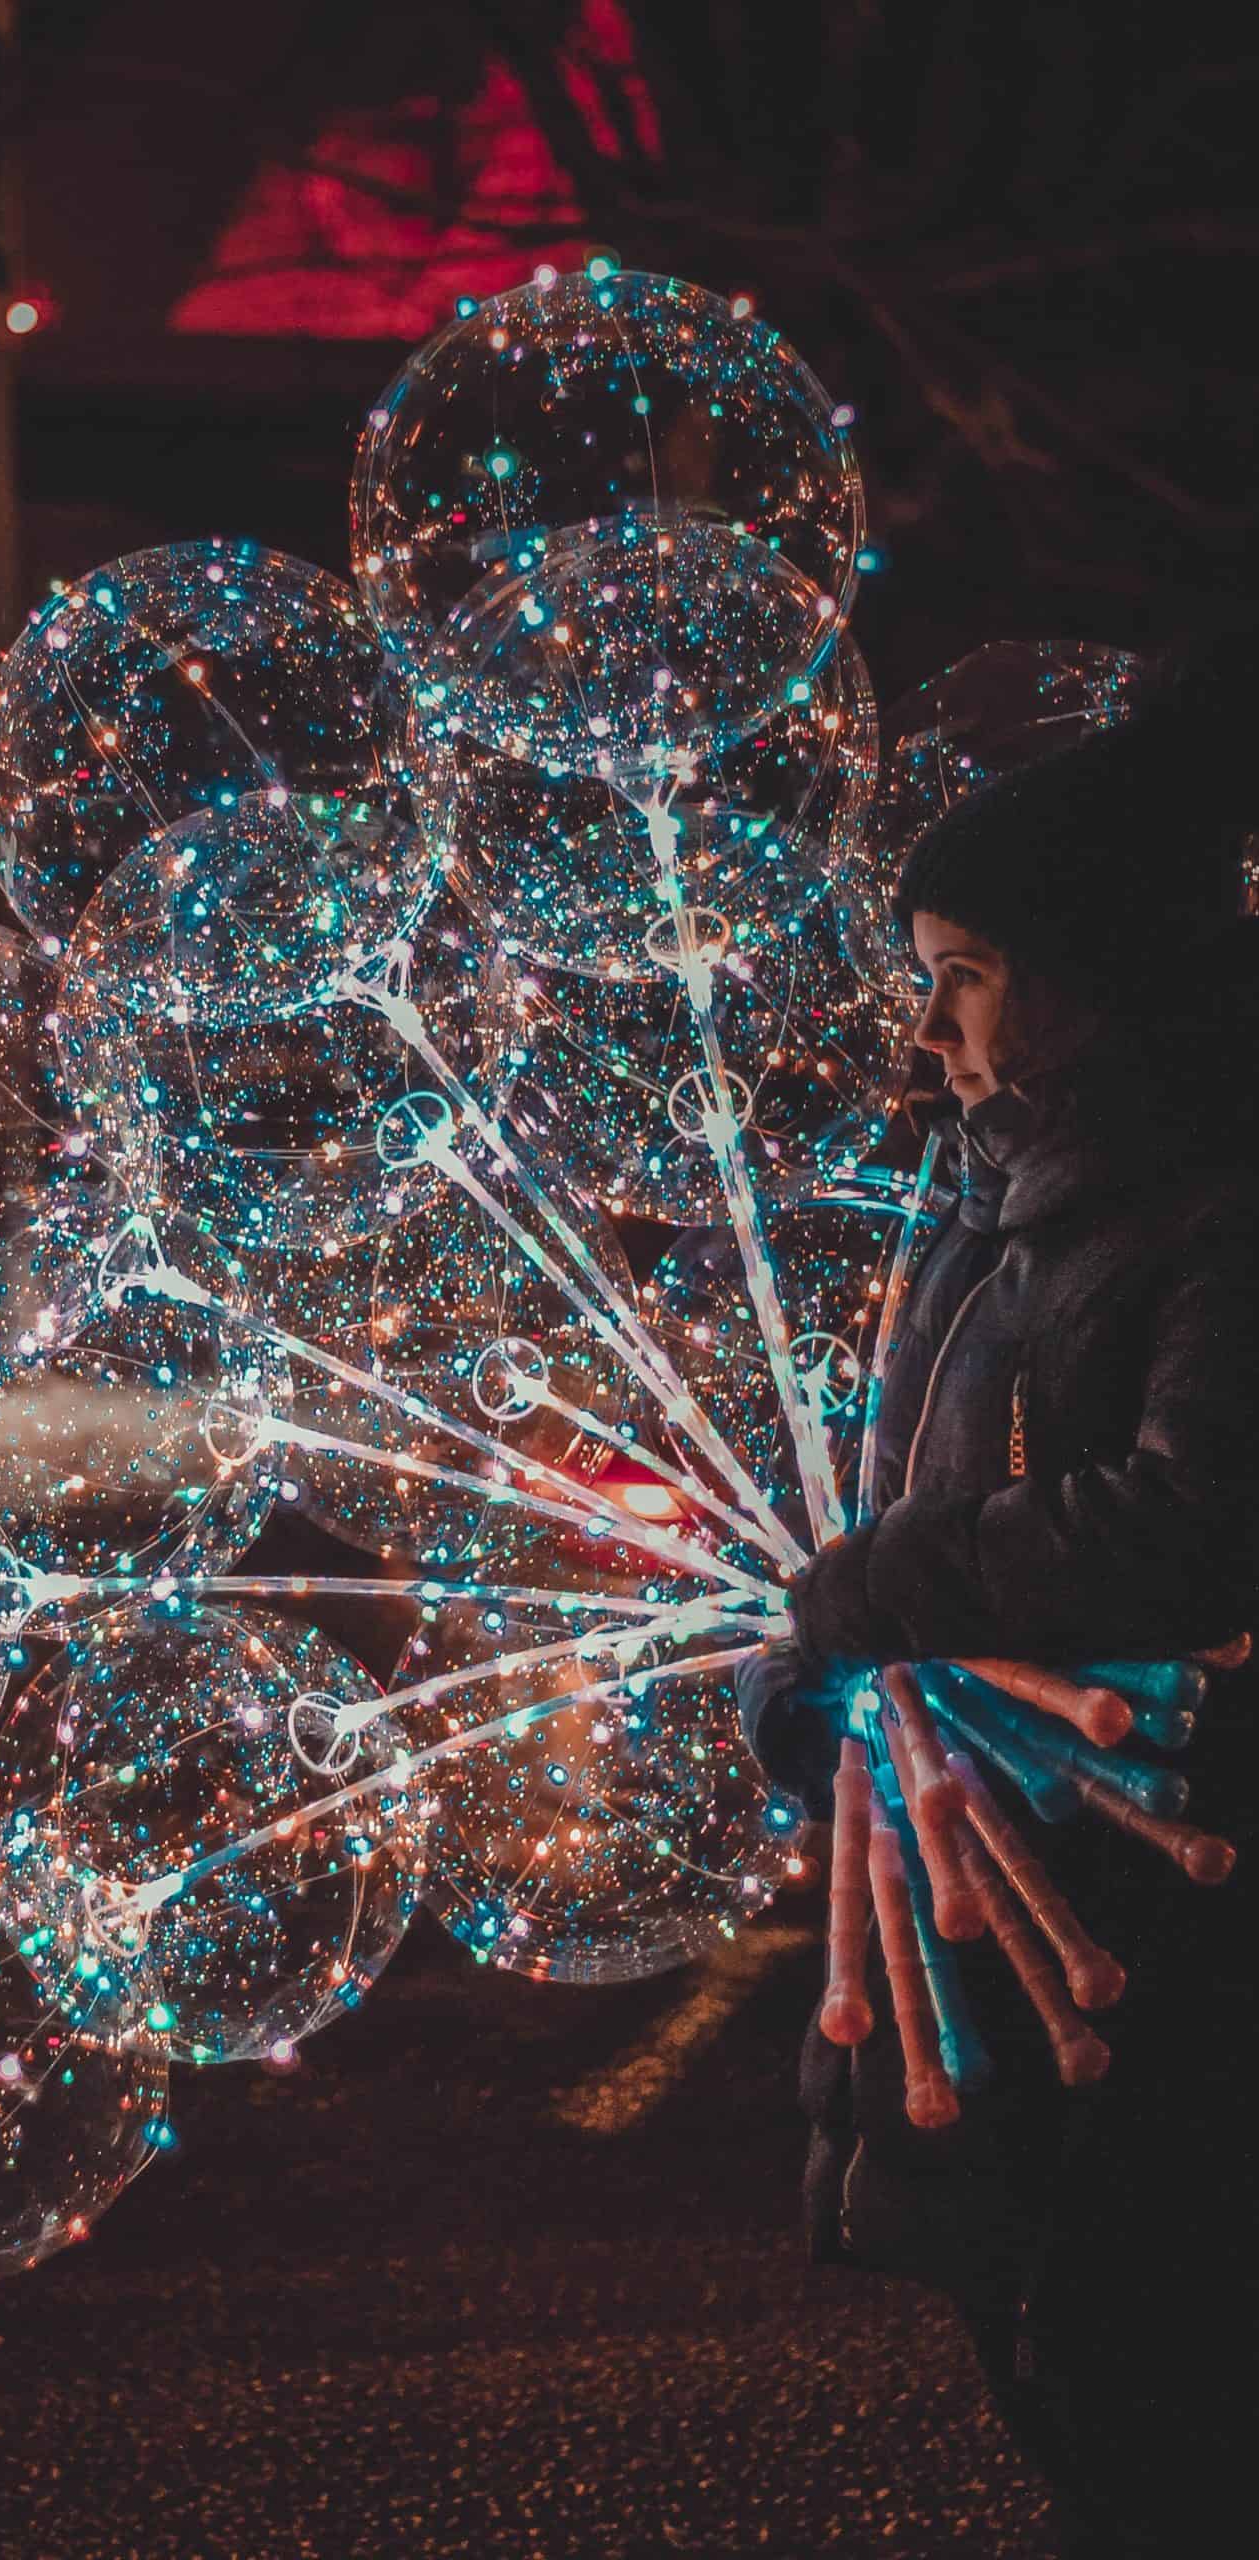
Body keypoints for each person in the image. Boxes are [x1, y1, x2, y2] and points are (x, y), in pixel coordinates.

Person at [737, 647, 1258, 2559]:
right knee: (1041, 2343)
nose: (925, 1024)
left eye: (959, 971)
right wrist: (818, 1685)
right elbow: (907, 1505)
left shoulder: (1211, 1206)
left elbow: (1193, 1518)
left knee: (1147, 2381)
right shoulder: (987, 1203)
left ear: (1092, 967)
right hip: (991, 1910)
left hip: (1171, 1927)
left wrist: (872, 1593)